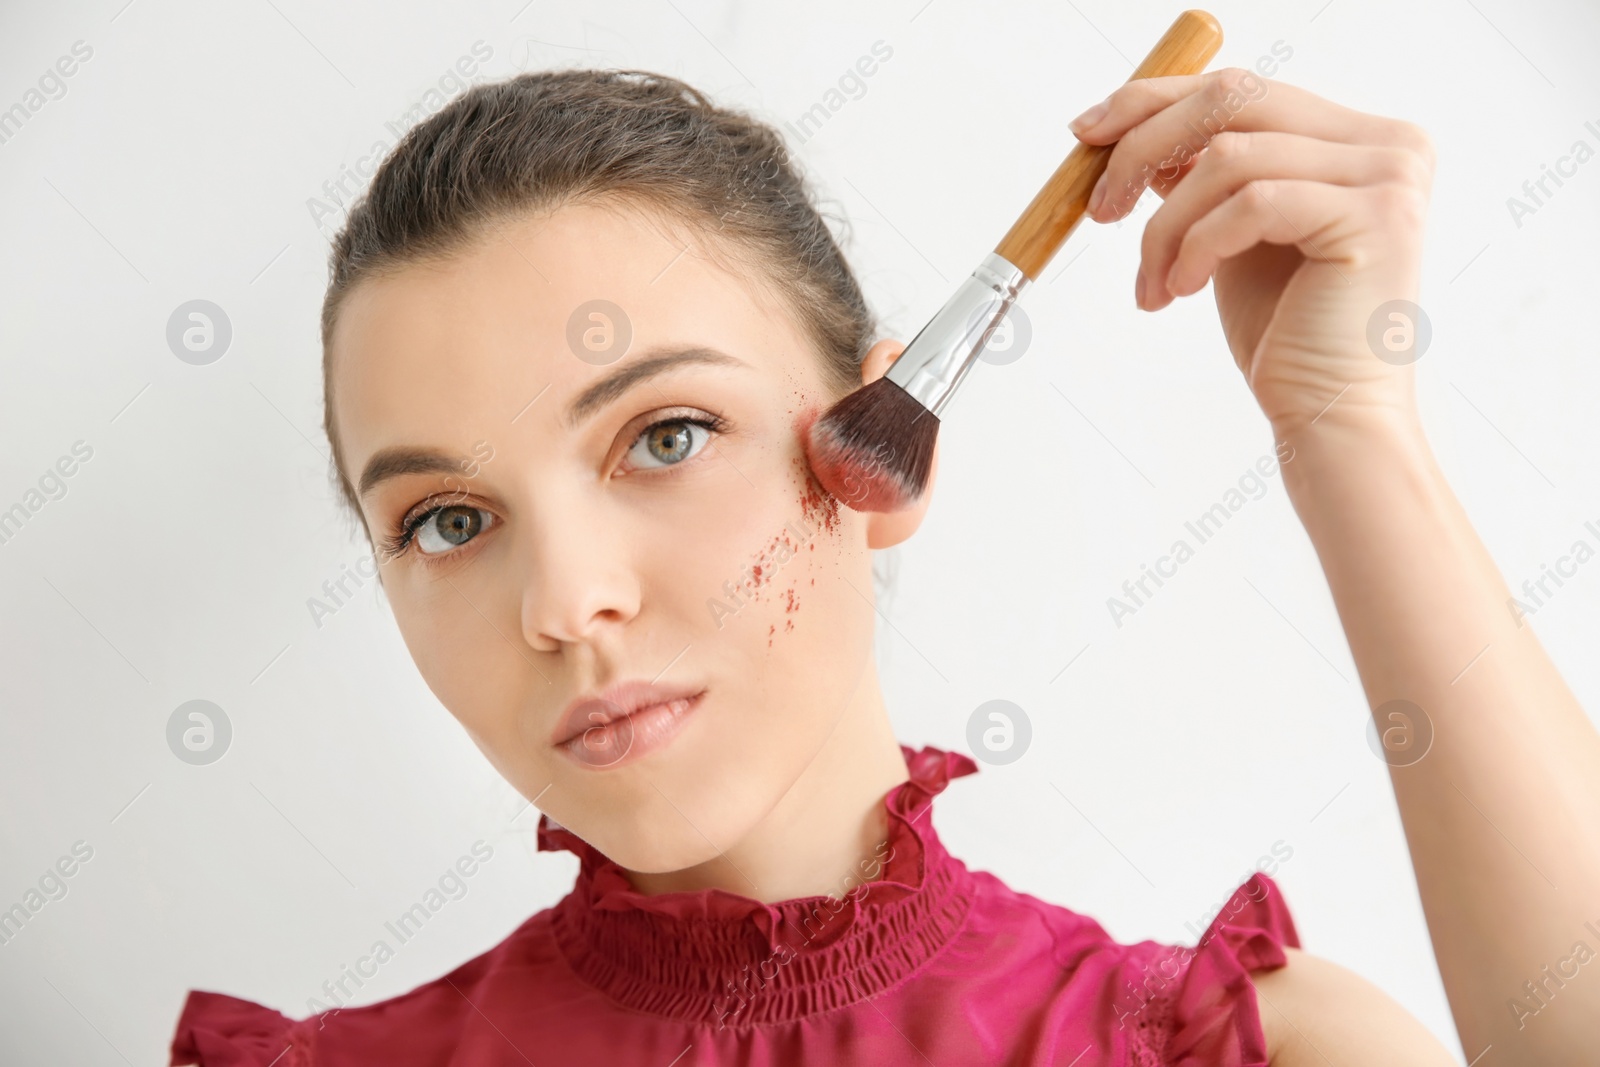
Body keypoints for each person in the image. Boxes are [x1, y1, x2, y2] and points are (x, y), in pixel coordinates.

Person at [167, 64, 1591, 1066]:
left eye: (666, 435)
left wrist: (1348, 431)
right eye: (446, 521)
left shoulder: (1235, 1050)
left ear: (881, 444)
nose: (564, 605)